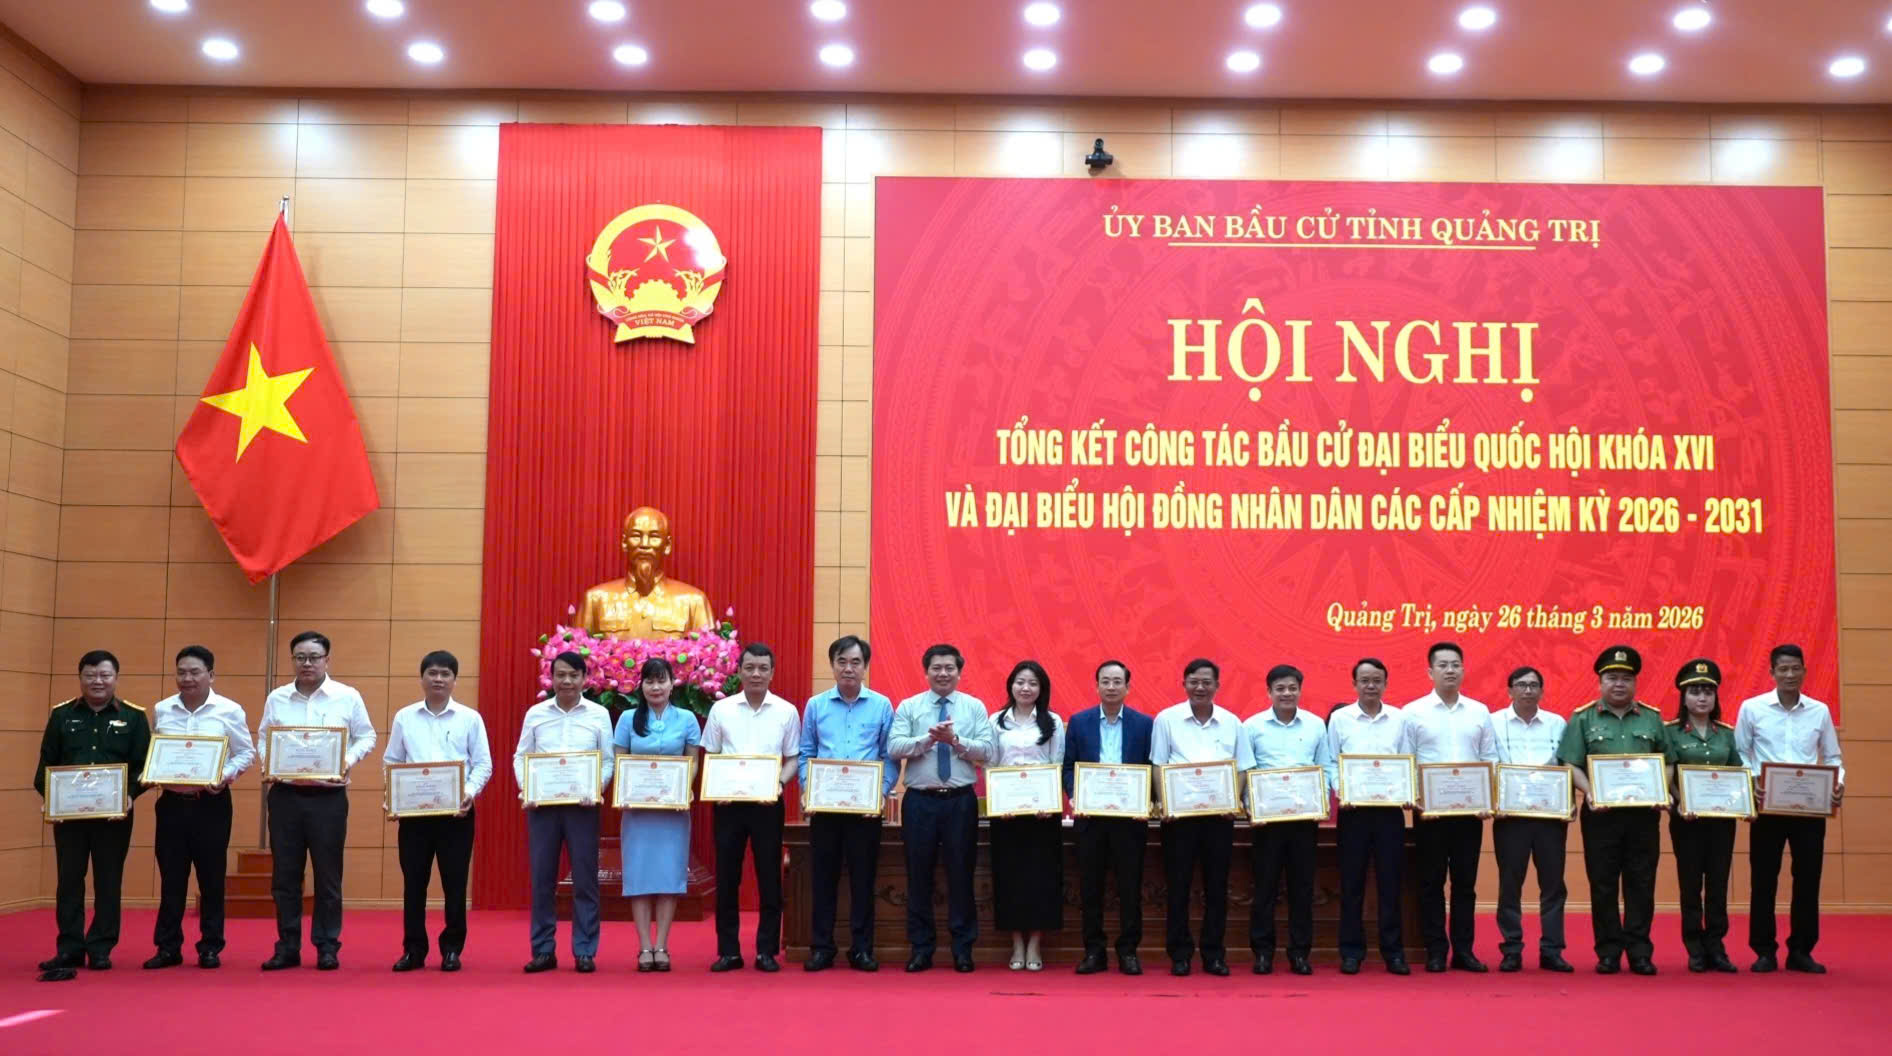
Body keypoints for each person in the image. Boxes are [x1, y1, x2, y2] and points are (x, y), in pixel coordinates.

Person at [257, 630, 376, 971]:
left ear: (327, 660)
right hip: (286, 796)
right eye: (300, 657)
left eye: (314, 657)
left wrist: (345, 761)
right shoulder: (277, 698)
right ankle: (287, 946)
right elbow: (264, 738)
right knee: (285, 876)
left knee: (328, 876)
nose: (307, 663)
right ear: (292, 660)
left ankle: (327, 946)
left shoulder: (347, 697)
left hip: (328, 798)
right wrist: (269, 763)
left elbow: (366, 736)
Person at [34, 650, 151, 982]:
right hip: (69, 818)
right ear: (80, 677)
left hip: (114, 817)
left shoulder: (134, 717)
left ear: (116, 678)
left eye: (104, 675)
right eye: (90, 675)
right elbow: (45, 767)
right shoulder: (61, 716)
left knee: (108, 881)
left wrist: (130, 795)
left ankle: (101, 948)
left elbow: (144, 766)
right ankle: (69, 947)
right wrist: (51, 800)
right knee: (69, 881)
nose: (97, 681)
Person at [1558, 644, 1666, 975]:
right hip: (1601, 814)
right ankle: (1607, 951)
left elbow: (1667, 762)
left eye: (1626, 678)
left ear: (1635, 683)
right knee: (1602, 884)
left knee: (1641, 883)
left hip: (1643, 815)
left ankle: (1639, 951)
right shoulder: (1583, 718)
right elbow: (1570, 763)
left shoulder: (1652, 718)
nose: (1619, 684)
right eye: (1612, 678)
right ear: (1600, 682)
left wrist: (1662, 789)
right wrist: (1590, 792)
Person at [1735, 643, 1843, 974]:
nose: (1790, 674)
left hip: (1809, 810)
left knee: (1808, 879)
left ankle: (1801, 950)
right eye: (1783, 669)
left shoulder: (1819, 711)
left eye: (1796, 668)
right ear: (1772, 673)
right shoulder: (1752, 708)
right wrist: (1752, 780)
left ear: (1804, 671)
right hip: (1767, 807)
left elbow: (1833, 756)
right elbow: (1740, 752)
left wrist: (1837, 783)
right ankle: (1764, 951)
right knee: (1763, 879)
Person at [145, 645, 254, 971]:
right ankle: (168, 947)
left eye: (195, 672)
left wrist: (224, 776)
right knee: (171, 879)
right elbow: (154, 751)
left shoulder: (229, 710)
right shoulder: (162, 710)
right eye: (181, 672)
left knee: (212, 878)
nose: (187, 678)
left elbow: (245, 753)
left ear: (211, 675)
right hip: (171, 805)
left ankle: (210, 946)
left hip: (211, 804)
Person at [383, 650, 492, 973]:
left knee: (454, 883)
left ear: (455, 680)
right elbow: (392, 761)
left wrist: (468, 794)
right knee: (414, 883)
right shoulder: (405, 717)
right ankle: (413, 949)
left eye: (445, 674)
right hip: (414, 816)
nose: (439, 679)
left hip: (457, 814)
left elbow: (483, 764)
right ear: (422, 678)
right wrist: (394, 796)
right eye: (432, 673)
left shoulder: (470, 718)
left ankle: (452, 949)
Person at [889, 644, 995, 972]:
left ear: (959, 672)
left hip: (960, 801)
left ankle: (963, 949)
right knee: (918, 874)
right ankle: (921, 948)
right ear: (926, 672)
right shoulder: (910, 707)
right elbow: (894, 747)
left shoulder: (974, 707)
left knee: (961, 874)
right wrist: (928, 740)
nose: (943, 673)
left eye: (950, 668)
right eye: (936, 667)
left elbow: (988, 751)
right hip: (920, 802)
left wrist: (955, 741)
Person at [799, 635, 897, 972]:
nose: (848, 668)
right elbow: (806, 753)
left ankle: (861, 949)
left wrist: (880, 793)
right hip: (825, 809)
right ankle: (822, 948)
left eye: (855, 662)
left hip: (864, 811)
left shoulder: (882, 705)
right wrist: (808, 789)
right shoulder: (816, 705)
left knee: (863, 881)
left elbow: (888, 756)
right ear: (832, 665)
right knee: (823, 880)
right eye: (841, 661)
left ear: (865, 666)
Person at [1150, 658, 1253, 977]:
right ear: (1184, 684)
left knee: (1217, 887)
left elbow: (1243, 767)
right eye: (1194, 681)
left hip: (1218, 818)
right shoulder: (1166, 719)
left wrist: (1233, 801)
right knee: (1178, 886)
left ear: (1217, 686)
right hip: (1179, 820)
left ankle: (1214, 954)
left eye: (1206, 682)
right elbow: (1158, 764)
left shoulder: (1232, 722)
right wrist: (1165, 803)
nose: (1200, 687)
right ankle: (1179, 954)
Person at [700, 643, 800, 973]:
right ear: (739, 671)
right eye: (750, 667)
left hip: (767, 803)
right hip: (728, 805)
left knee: (769, 877)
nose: (756, 674)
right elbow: (711, 754)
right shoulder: (722, 709)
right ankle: (728, 951)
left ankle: (766, 951)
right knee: (727, 877)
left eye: (763, 668)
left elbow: (793, 758)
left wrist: (779, 783)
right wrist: (716, 788)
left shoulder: (786, 711)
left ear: (772, 673)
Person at [516, 650, 616, 974]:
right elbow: (521, 756)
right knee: (542, 878)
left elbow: (608, 760)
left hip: (582, 808)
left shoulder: (599, 714)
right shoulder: (536, 714)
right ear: (551, 677)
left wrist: (595, 788)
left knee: (585, 879)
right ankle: (543, 949)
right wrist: (527, 788)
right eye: (561, 674)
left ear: (585, 678)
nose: (567, 681)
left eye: (574, 675)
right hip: (542, 807)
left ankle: (585, 949)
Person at [1401, 641, 1497, 973]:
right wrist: (1416, 796)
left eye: (1455, 664)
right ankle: (1435, 950)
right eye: (1442, 665)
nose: (1450, 670)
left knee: (1465, 884)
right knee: (1430, 882)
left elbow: (1490, 757)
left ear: (1464, 669)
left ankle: (1464, 950)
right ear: (1430, 672)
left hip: (1470, 813)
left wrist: (1487, 798)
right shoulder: (1412, 712)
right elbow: (1406, 760)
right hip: (1430, 812)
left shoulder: (1479, 711)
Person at [1241, 664, 1336, 976]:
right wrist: (1251, 808)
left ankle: (1300, 953)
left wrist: (1321, 802)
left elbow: (1324, 767)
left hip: (1303, 820)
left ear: (1300, 690)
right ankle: (1263, 953)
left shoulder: (1315, 726)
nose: (1286, 693)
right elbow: (1245, 770)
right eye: (1280, 688)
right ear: (1269, 692)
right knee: (1264, 888)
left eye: (1292, 688)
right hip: (1266, 822)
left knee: (1302, 889)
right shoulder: (1252, 726)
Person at [1062, 659, 1154, 976]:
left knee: (1130, 888)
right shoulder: (1079, 722)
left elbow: (1152, 768)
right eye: (1106, 681)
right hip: (1091, 820)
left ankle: (1128, 951)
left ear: (1128, 687)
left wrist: (1146, 800)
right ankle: (1094, 951)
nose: (1111, 687)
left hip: (1130, 821)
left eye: (1117, 681)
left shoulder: (1145, 724)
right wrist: (1075, 795)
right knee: (1091, 888)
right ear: (1097, 686)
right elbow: (1068, 767)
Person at [613, 657, 702, 972]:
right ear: (641, 685)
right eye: (649, 681)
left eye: (661, 680)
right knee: (639, 876)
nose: (656, 687)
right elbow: (620, 761)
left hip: (672, 812)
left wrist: (683, 789)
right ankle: (643, 946)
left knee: (668, 876)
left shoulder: (688, 719)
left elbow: (692, 762)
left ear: (672, 683)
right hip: (638, 812)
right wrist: (624, 792)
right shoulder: (627, 719)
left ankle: (662, 945)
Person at [1326, 657, 1413, 975]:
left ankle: (1394, 952)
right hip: (1354, 812)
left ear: (1386, 684)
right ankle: (1351, 952)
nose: (1371, 685)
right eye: (1365, 680)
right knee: (1351, 884)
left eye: (1377, 680)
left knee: (1391, 883)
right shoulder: (1340, 719)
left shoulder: (1399, 718)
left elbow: (1407, 759)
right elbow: (1331, 761)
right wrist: (1342, 791)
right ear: (1355, 684)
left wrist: (1407, 790)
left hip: (1390, 812)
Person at [1489, 665, 1573, 973]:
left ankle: (1552, 950)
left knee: (1553, 885)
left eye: (1534, 685)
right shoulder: (1493, 722)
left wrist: (1568, 801)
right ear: (1509, 690)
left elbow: (1565, 764)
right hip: (1510, 816)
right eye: (1521, 685)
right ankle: (1511, 948)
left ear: (1542, 690)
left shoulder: (1557, 723)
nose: (1528, 690)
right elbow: (1488, 762)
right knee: (1510, 884)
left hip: (1549, 816)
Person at [988, 660, 1065, 972]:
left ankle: (1035, 943)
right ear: (1011, 685)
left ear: (1041, 689)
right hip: (1006, 814)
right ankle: (1016, 943)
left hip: (1042, 814)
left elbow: (1057, 763)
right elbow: (991, 765)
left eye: (1033, 683)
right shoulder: (996, 721)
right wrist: (998, 802)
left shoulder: (1053, 721)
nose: (1025, 688)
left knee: (1040, 879)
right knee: (1010, 879)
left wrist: (1050, 800)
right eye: (1020, 682)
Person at [1665, 658, 1740, 974]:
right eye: (1695, 691)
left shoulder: (1726, 734)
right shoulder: (1670, 732)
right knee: (1691, 883)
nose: (1702, 698)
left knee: (1719, 884)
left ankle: (1717, 946)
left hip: (1722, 820)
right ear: (1683, 697)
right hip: (1687, 819)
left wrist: (1744, 804)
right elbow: (1666, 775)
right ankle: (1695, 947)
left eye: (1708, 692)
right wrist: (1680, 801)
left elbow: (1737, 774)